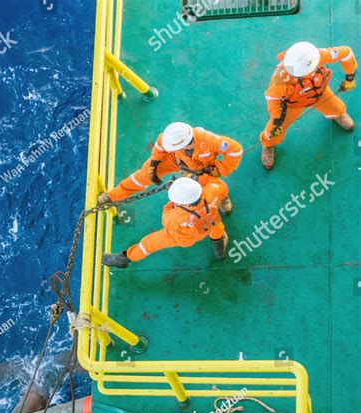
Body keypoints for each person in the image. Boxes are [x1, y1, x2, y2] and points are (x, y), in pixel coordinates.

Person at [98, 121, 243, 215]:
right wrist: (154, 165)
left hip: (204, 169)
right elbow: (160, 147)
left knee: (215, 188)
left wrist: (220, 169)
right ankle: (111, 196)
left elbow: (235, 150)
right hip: (176, 161)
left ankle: (223, 198)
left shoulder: (209, 140)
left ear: (186, 143)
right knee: (142, 177)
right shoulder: (168, 138)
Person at [260, 41, 357, 169]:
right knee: (273, 130)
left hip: (320, 93)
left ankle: (337, 115)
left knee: (337, 108)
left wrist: (350, 77)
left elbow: (346, 52)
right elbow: (273, 98)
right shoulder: (281, 76)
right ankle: (268, 144)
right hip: (293, 105)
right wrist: (277, 119)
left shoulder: (316, 55)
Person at [101, 177, 228, 268]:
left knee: (148, 244)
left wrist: (171, 204)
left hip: (183, 237)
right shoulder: (213, 191)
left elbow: (165, 219)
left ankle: (124, 259)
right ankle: (220, 253)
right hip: (212, 223)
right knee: (218, 232)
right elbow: (220, 186)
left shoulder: (176, 217)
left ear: (182, 202)